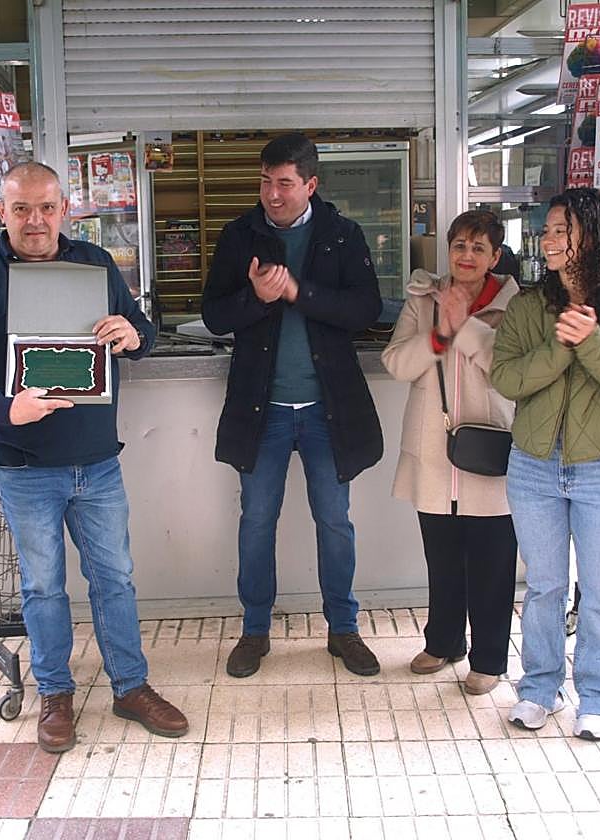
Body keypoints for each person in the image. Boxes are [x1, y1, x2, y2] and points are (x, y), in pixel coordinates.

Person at [0, 161, 188, 754]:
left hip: (97, 460)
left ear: (64, 210)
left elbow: (141, 331)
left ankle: (130, 687)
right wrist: (3, 408)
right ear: (2, 212)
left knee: (115, 579)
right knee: (44, 588)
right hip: (24, 464)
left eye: (47, 207)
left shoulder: (95, 264)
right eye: (21, 208)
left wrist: (135, 336)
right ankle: (54, 693)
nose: (35, 220)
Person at [201, 133, 384, 678]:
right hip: (265, 408)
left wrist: (297, 293)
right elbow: (214, 315)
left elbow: (366, 309)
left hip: (329, 407)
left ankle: (343, 629)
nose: (272, 195)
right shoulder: (240, 235)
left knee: (335, 521)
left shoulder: (342, 234)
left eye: (284, 183)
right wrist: (256, 298)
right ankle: (255, 630)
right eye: (265, 182)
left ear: (311, 184)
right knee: (257, 520)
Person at [491, 187, 600, 740]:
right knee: (544, 586)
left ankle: (599, 695)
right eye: (547, 230)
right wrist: (561, 347)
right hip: (533, 464)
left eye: (561, 229)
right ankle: (539, 689)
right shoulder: (527, 306)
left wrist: (591, 340)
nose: (549, 239)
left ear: (592, 236)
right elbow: (506, 378)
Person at [381, 211, 519, 692]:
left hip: (490, 449)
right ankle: (443, 642)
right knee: (441, 559)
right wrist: (439, 334)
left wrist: (466, 328)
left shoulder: (515, 305)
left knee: (492, 565)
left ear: (495, 257)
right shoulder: (424, 298)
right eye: (460, 245)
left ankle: (489, 660)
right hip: (434, 452)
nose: (467, 255)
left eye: (479, 248)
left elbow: (513, 372)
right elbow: (397, 363)